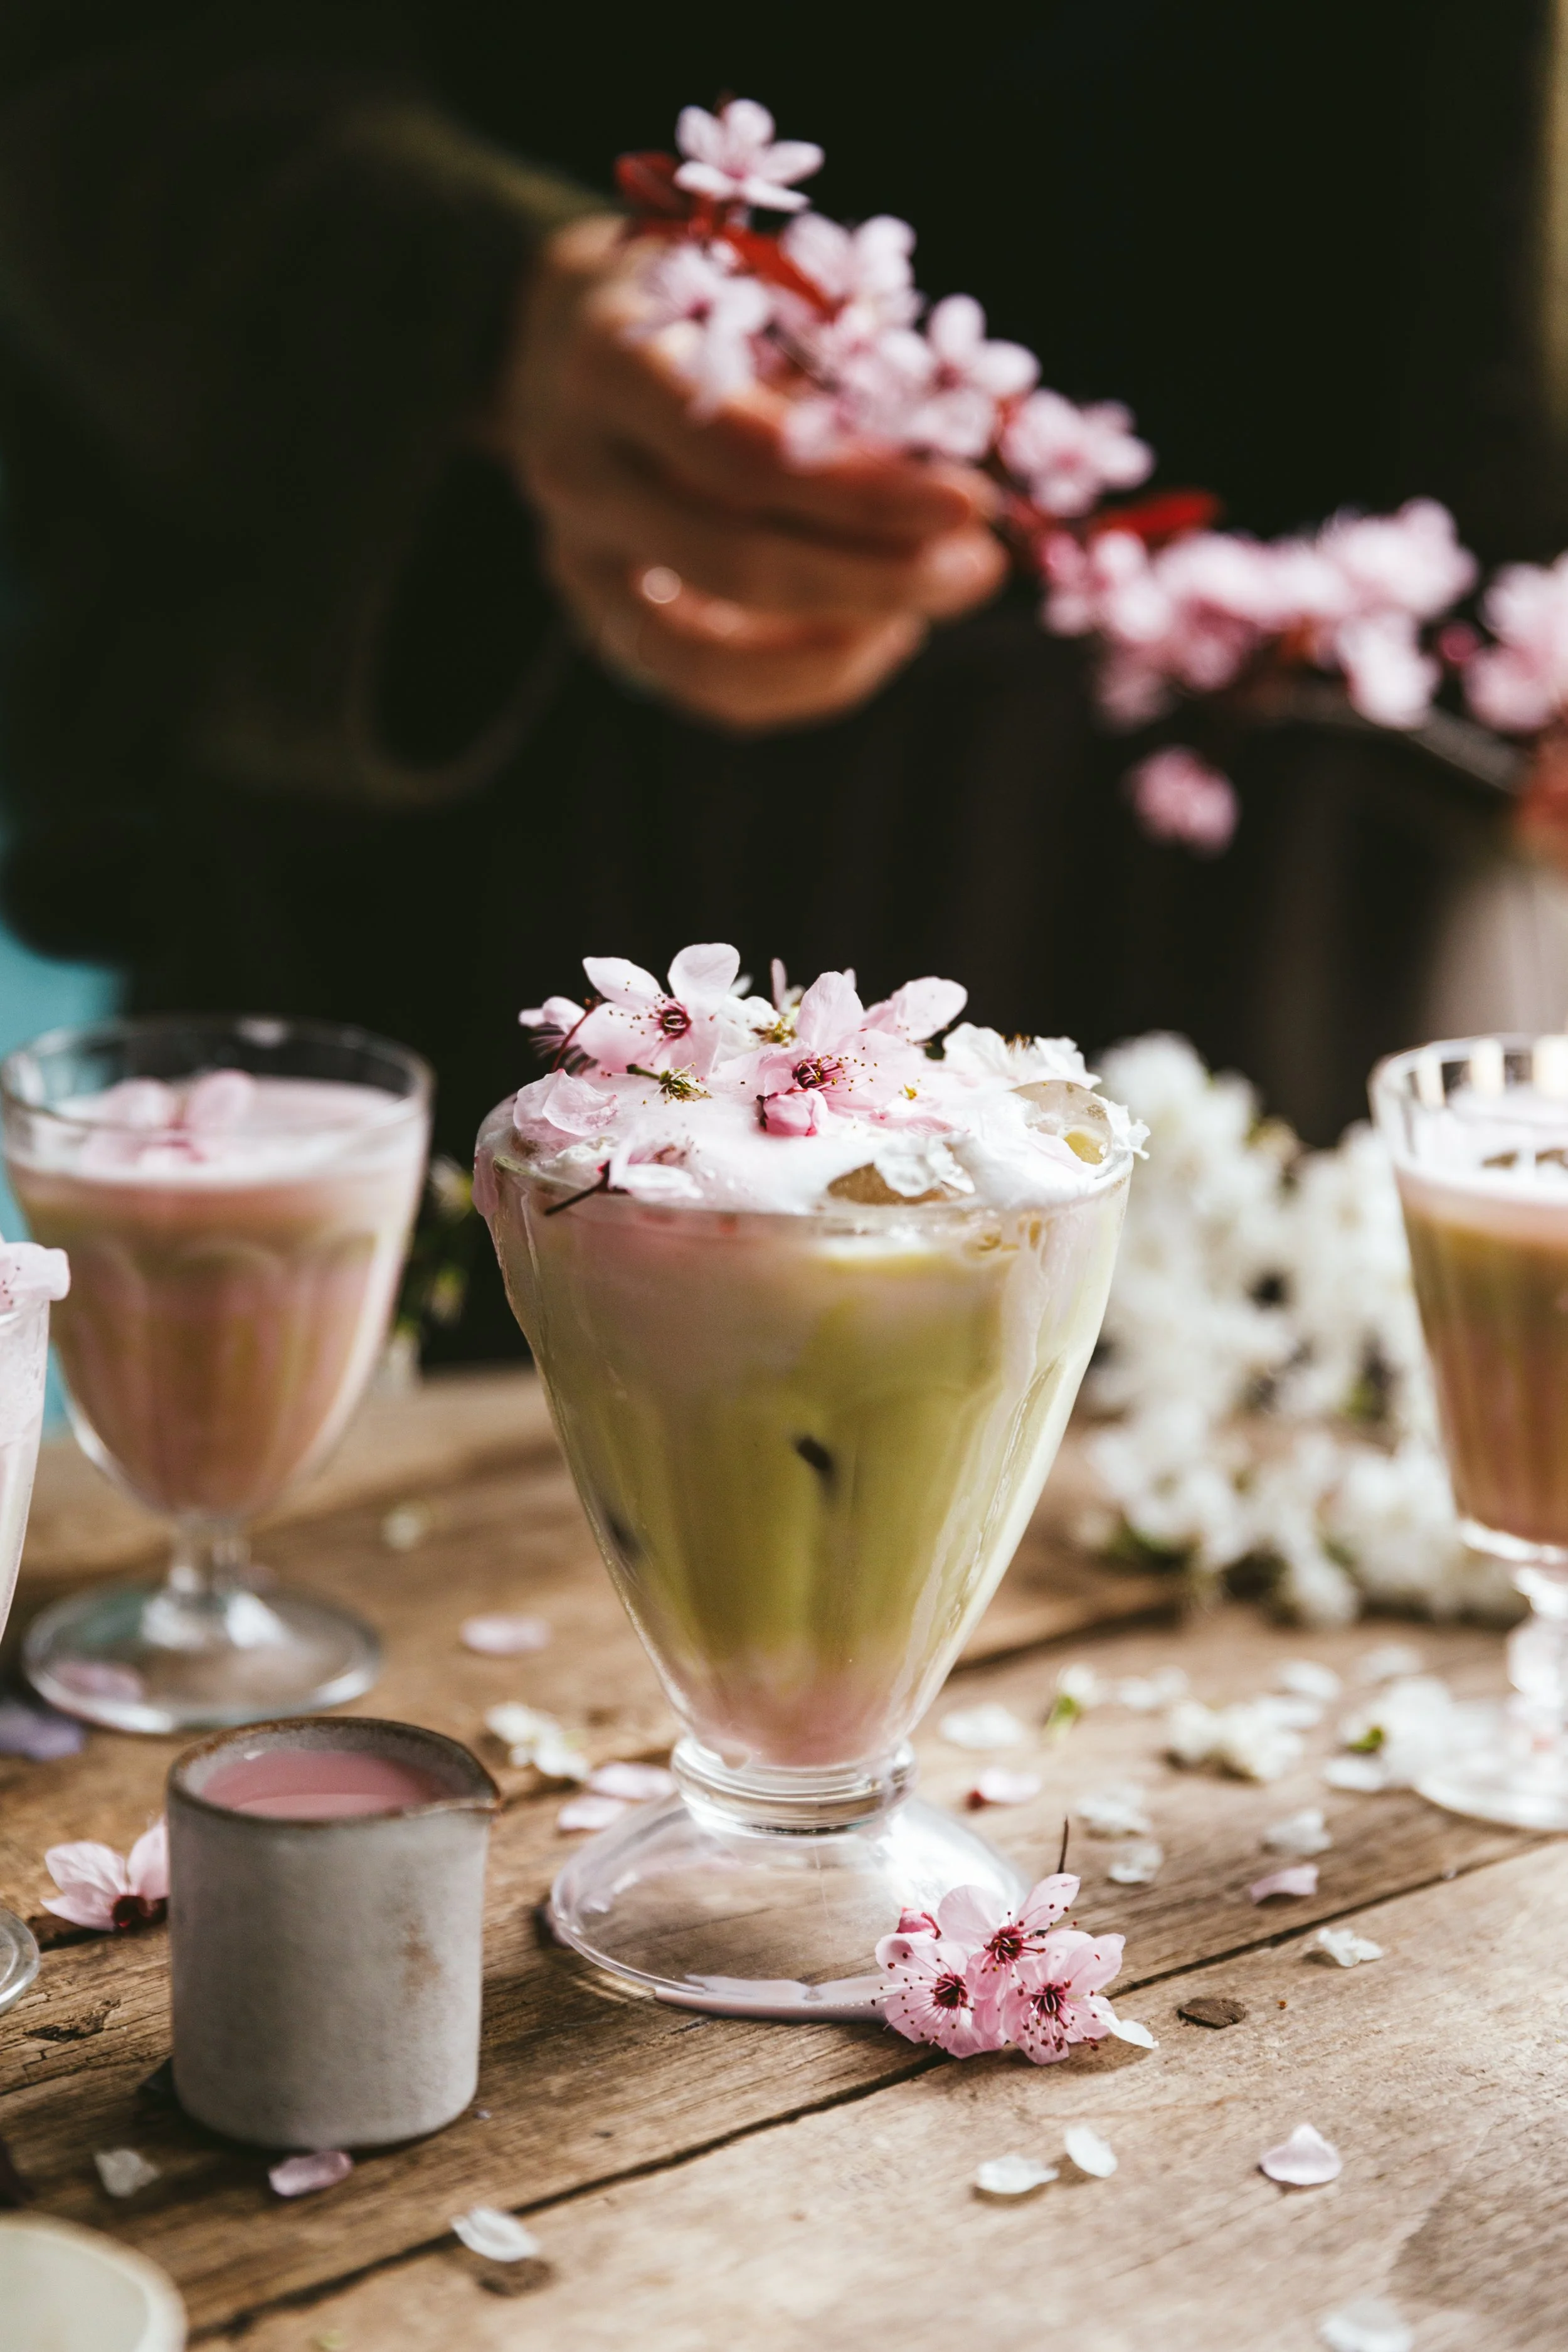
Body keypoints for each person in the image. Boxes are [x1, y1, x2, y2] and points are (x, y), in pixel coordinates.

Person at [0, 3, 1549, 1355]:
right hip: (522, 744)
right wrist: (485, 308)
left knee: (1256, 1470)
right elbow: (94, 67)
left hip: (1310, 798)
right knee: (511, 1511)